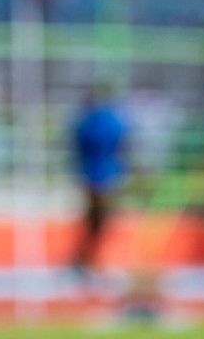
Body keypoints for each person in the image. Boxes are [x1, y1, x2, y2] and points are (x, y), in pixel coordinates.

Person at [71, 89, 129, 276]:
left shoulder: (88, 122)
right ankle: (86, 261)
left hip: (97, 176)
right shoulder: (106, 122)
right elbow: (120, 145)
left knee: (98, 222)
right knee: (97, 222)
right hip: (103, 177)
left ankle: (88, 261)